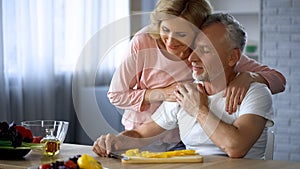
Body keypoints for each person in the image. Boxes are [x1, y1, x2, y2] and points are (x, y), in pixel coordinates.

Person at [107, 0, 284, 150]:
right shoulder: (143, 42)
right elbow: (116, 95)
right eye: (165, 30)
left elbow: (278, 80)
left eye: (181, 34)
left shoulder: (206, 50)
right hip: (144, 134)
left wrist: (250, 77)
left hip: (184, 137)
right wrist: (162, 92)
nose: (170, 41)